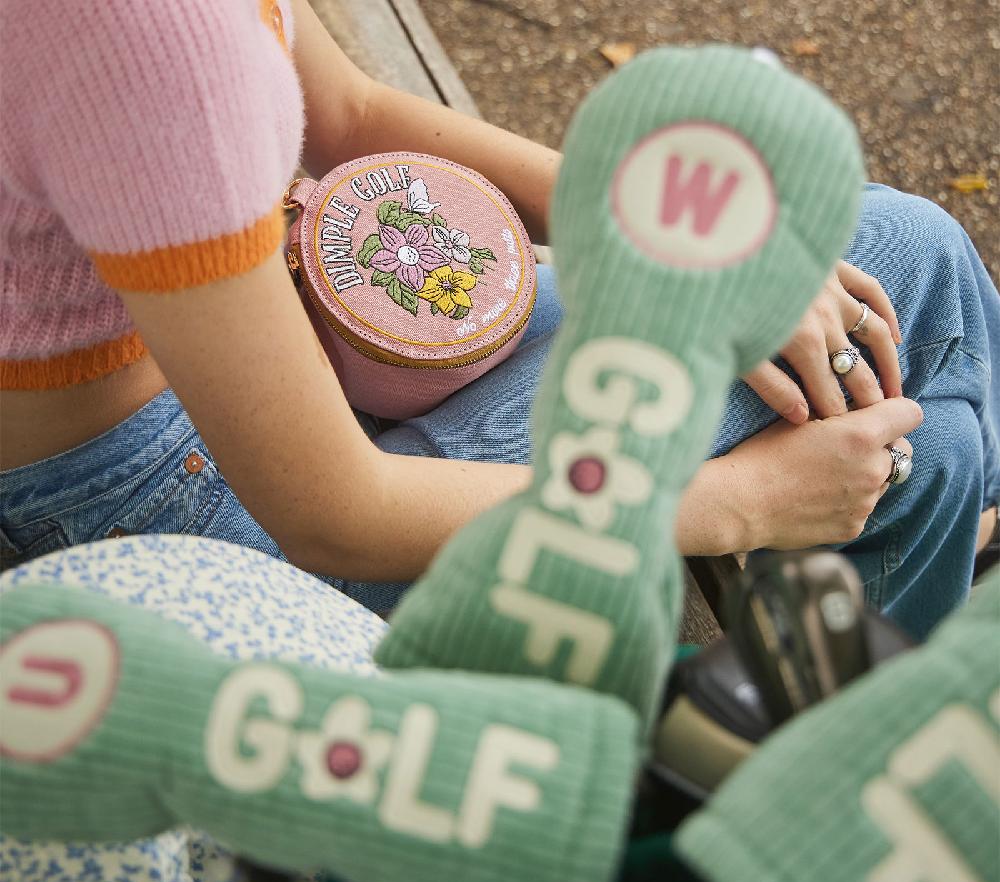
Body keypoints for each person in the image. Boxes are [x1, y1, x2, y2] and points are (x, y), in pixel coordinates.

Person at [1, 0, 996, 642]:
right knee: (907, 267)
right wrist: (738, 502)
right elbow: (333, 513)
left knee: (929, 445)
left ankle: (834, 745)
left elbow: (347, 112)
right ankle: (819, 787)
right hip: (199, 518)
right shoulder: (150, 40)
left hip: (260, 337)